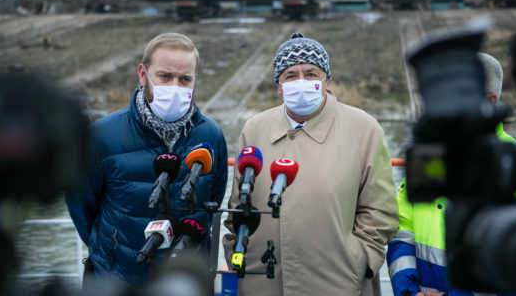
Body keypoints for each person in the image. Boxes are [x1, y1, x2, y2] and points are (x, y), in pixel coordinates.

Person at [223, 33, 399, 296]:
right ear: (279, 86)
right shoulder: (255, 129)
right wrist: (241, 258)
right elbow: (239, 208)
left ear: (327, 80)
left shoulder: (364, 129)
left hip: (340, 284)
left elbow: (380, 211)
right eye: (291, 75)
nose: (301, 81)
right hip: (264, 284)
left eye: (311, 73)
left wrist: (359, 261)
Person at [65, 33, 228, 286]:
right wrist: (112, 252)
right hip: (116, 281)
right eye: (165, 76)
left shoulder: (211, 135)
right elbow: (81, 204)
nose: (175, 86)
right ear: (142, 74)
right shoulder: (102, 135)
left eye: (185, 79)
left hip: (187, 281)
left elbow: (213, 200)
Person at [387, 52, 516, 296]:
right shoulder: (428, 159)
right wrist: (408, 291)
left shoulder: (512, 164)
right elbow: (403, 231)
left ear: (490, 101)